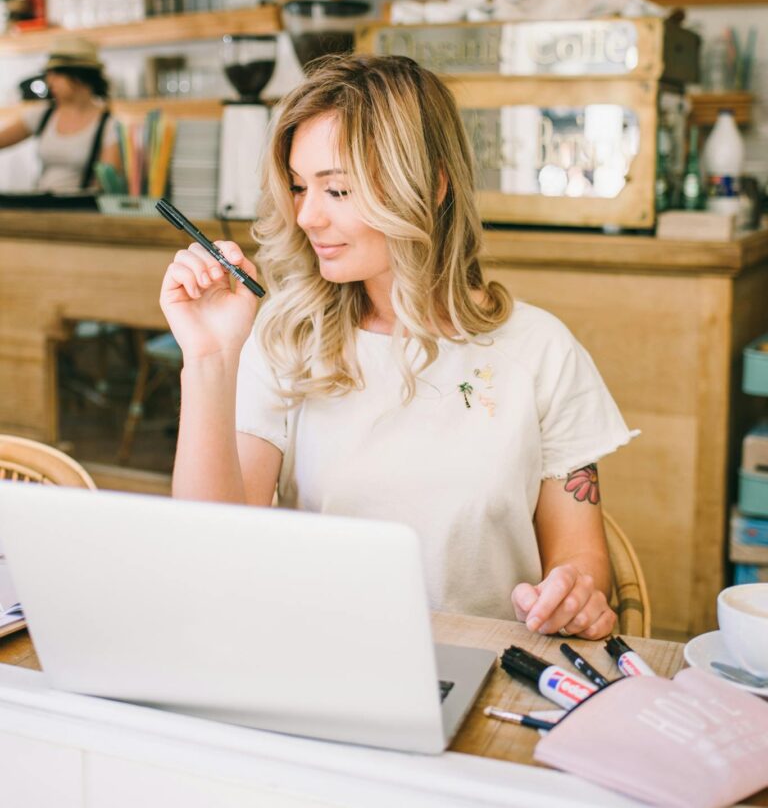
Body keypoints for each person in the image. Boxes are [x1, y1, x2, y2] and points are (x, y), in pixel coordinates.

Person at [161, 54, 634, 639]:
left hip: (488, 671)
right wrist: (209, 357)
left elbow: (582, 563)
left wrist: (576, 595)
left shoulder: (541, 351)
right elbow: (213, 551)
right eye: (298, 187)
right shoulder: (284, 339)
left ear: (431, 185)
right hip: (318, 656)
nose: (307, 216)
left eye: (336, 189)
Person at [0, 36, 122, 191]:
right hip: (41, 204)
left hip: (80, 209)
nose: (49, 81)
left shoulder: (108, 125)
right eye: (48, 74)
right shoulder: (43, 114)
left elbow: (106, 183)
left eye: (57, 74)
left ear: (80, 77)